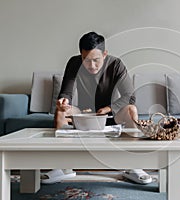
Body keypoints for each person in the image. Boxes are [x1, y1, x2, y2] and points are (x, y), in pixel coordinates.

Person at [41, 31, 152, 185]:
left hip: (112, 115)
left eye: (96, 60)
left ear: (105, 54)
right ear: (81, 55)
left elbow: (129, 96)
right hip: (85, 115)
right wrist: (64, 101)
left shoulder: (116, 65)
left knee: (131, 109)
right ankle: (63, 167)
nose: (91, 66)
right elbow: (66, 92)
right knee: (61, 111)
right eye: (86, 60)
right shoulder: (74, 63)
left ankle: (133, 166)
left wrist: (107, 109)